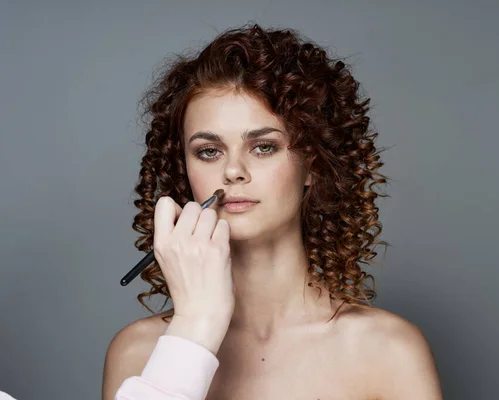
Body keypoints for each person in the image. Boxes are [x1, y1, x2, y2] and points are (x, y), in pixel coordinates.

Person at [102, 23, 443, 400]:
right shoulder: (140, 353)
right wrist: (194, 326)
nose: (233, 171)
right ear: (184, 167)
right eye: (208, 151)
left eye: (263, 147)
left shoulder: (389, 352)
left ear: (312, 163)